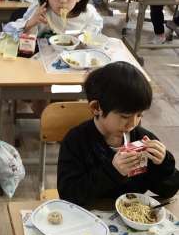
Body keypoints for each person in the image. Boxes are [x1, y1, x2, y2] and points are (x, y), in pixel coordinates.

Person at [57, 61, 179, 207]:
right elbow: (68, 195)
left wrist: (163, 164)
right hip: (89, 214)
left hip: (132, 214)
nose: (133, 124)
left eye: (139, 115)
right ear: (96, 108)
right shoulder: (76, 141)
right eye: (125, 116)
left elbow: (169, 191)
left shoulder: (143, 139)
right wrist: (112, 171)